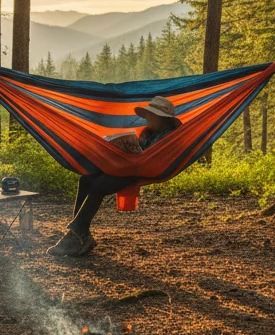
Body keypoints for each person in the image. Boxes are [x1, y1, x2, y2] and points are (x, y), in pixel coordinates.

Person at [48, 95, 181, 257]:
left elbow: (157, 159)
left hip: (144, 171)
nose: (148, 119)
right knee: (86, 179)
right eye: (148, 115)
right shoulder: (148, 132)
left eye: (152, 116)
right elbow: (139, 152)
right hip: (130, 167)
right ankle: (79, 234)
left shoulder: (171, 135)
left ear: (163, 118)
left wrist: (136, 157)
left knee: (99, 185)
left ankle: (77, 235)